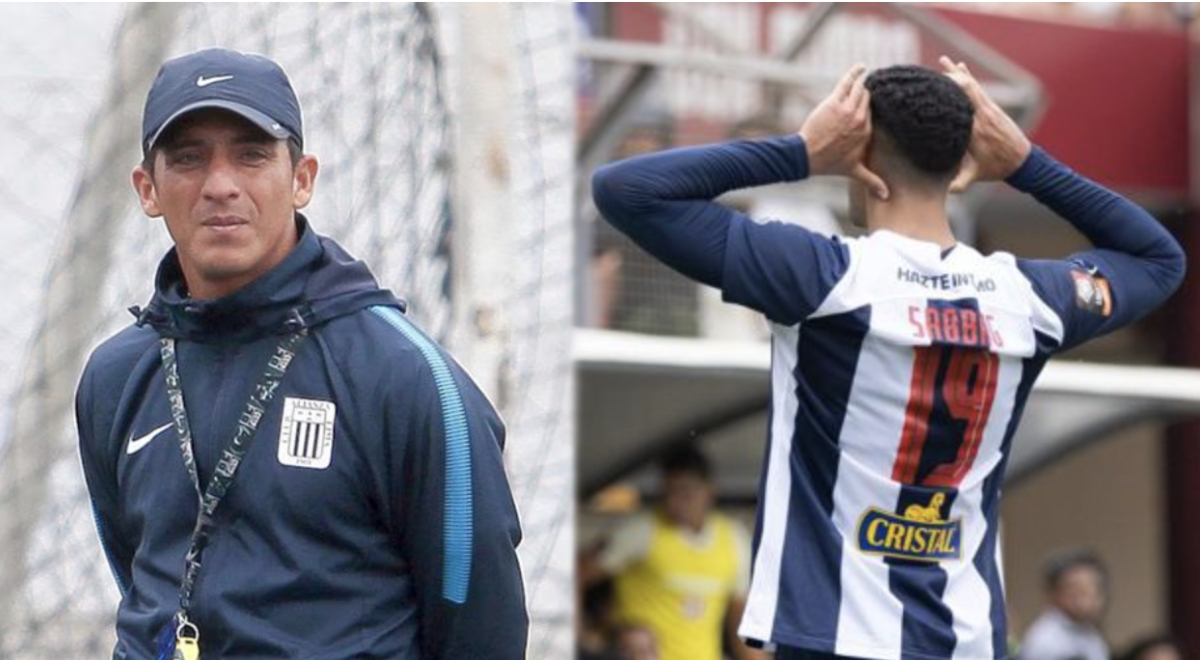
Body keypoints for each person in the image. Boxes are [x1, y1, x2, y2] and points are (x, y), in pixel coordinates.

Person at [592, 58, 1185, 660]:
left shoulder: (825, 278)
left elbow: (626, 190)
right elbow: (1159, 260)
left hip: (836, 636)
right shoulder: (1027, 299)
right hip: (967, 640)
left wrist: (800, 153)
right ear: (963, 162)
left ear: (863, 156)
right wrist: (1027, 165)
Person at [75, 47, 527, 659]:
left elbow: (481, 630)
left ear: (303, 178)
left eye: (252, 154)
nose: (220, 185)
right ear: (148, 189)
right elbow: (139, 577)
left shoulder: (406, 378)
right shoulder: (115, 376)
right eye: (188, 159)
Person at [580, 445, 762, 660]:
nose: (677, 502)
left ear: (710, 490)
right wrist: (581, 639)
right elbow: (578, 572)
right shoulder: (642, 531)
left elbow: (739, 619)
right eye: (670, 491)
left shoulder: (733, 538)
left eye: (686, 491)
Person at [1021, 550, 1111, 660]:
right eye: (1076, 588)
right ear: (1054, 593)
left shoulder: (1091, 634)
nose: (1086, 596)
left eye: (1092, 587)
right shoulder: (1047, 640)